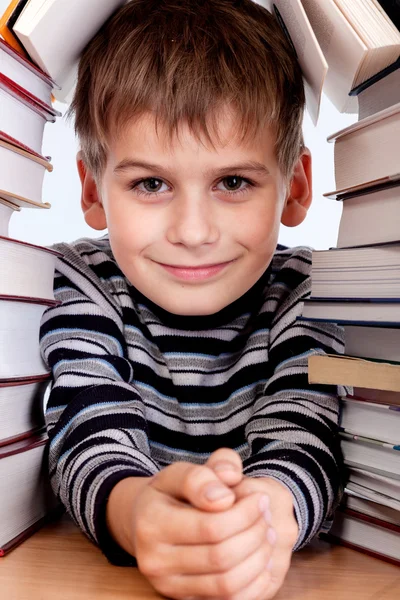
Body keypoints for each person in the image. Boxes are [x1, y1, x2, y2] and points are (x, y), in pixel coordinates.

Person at [39, 1, 345, 598]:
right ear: (92, 191)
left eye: (233, 182)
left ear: (295, 187)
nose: (193, 231)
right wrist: (138, 515)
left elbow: (306, 433)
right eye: (151, 184)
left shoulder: (313, 294)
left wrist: (261, 518)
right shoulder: (80, 281)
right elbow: (86, 428)